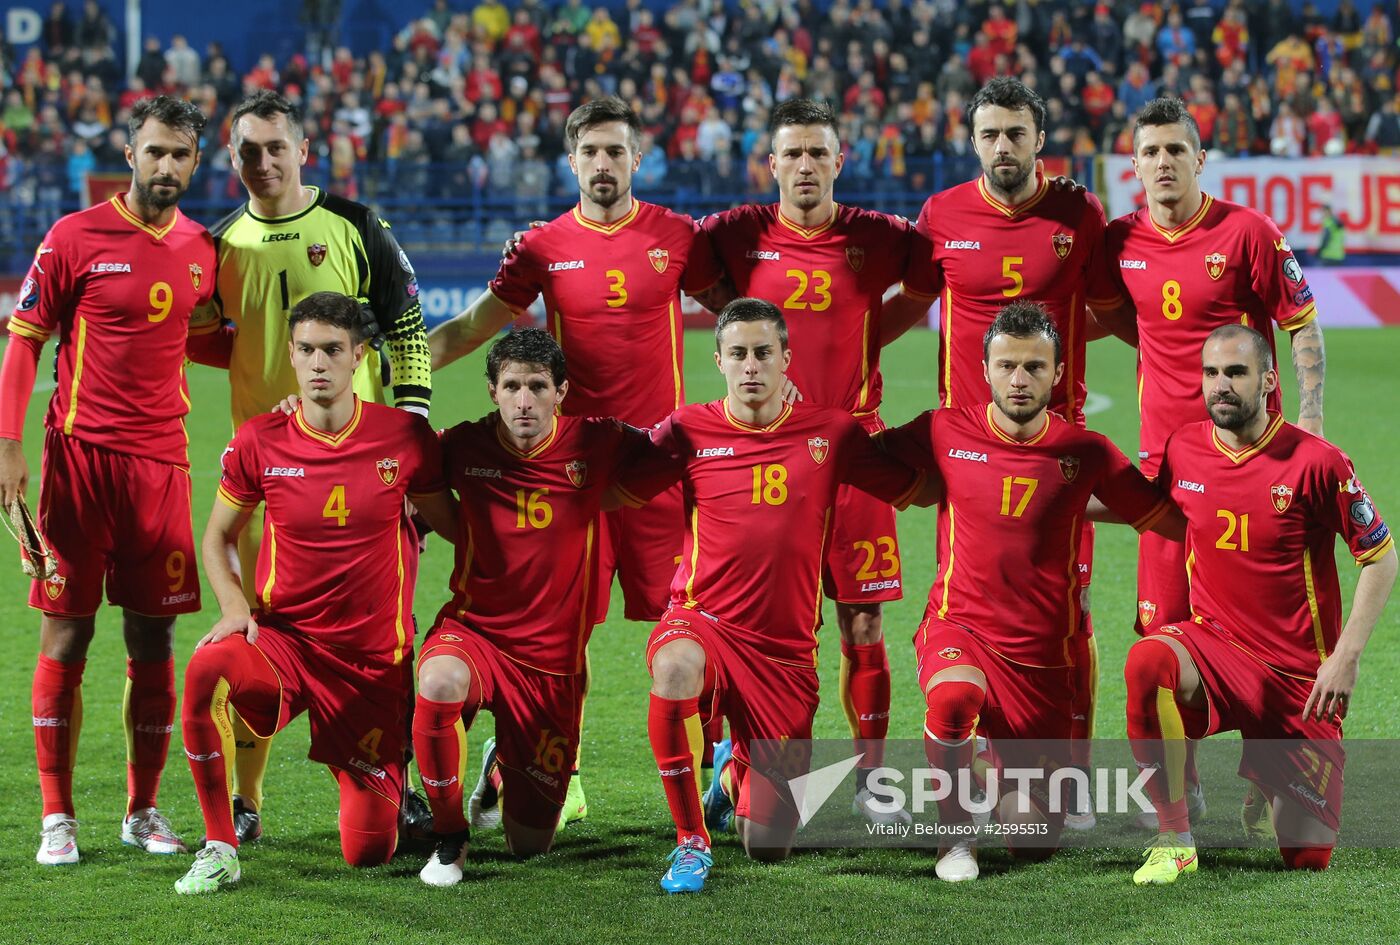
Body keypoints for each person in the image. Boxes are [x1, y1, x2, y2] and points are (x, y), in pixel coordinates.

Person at [428, 96, 730, 823]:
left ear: (637, 158)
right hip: (568, 477)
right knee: (555, 630)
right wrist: (389, 373)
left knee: (696, 620)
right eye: (590, 152)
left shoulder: (676, 236)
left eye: (615, 151)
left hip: (658, 470)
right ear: (571, 162)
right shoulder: (541, 246)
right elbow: (475, 326)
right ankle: (550, 769)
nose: (603, 164)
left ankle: (726, 767)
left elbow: (743, 317)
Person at [884, 77, 1133, 829]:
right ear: (972, 142)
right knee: (973, 598)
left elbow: (1115, 312)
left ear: (1038, 138)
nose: (1002, 147)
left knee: (1072, 609)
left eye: (1015, 133)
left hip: (1056, 450)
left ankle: (1071, 776)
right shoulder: (943, 215)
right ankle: (973, 748)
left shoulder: (1077, 213)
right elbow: (911, 301)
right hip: (967, 446)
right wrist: (843, 350)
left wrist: (1194, 360)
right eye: (989, 134)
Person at [621, 298, 933, 893]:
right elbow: (617, 482)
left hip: (784, 657)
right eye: (737, 354)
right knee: (674, 668)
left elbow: (909, 486)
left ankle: (735, 773)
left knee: (767, 844)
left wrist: (962, 445)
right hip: (704, 620)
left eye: (763, 353)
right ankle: (690, 842)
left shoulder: (833, 433)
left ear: (787, 359)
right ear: (718, 360)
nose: (751, 366)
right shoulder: (687, 430)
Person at [198, 88, 434, 842]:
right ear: (231, 159)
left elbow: (405, 321)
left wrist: (415, 425)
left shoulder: (356, 225)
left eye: (276, 147)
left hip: (367, 465)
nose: (263, 162)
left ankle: (397, 774)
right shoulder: (216, 244)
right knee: (267, 626)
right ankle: (246, 798)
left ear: (305, 152)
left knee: (383, 624)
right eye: (247, 150)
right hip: (269, 469)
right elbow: (201, 333)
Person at [698, 98, 940, 821]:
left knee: (862, 622)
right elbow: (686, 270)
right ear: (771, 164)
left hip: (854, 452)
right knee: (762, 624)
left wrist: (870, 342)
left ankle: (871, 779)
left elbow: (926, 287)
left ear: (840, 160)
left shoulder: (877, 235)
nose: (804, 166)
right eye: (791, 154)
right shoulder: (740, 234)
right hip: (768, 456)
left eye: (817, 153)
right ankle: (730, 763)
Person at [880, 302, 1182, 882]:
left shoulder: (1086, 451)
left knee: (1034, 840)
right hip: (959, 625)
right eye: (1007, 365)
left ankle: (989, 775)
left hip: (1041, 658)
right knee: (952, 700)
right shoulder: (943, 429)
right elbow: (864, 457)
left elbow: (1161, 516)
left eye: (1035, 367)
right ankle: (955, 839)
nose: (1019, 379)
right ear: (985, 368)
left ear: (1058, 373)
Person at [175, 292, 456, 894]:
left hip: (372, 665)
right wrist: (233, 607)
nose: (318, 363)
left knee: (367, 853)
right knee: (204, 670)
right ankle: (220, 843)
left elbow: (457, 527)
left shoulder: (405, 437)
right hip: (286, 644)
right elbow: (217, 535)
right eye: (306, 350)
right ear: (292, 355)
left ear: (359, 355)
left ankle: (377, 781)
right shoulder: (260, 439)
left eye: (333, 349)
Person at [0, 96, 218, 865]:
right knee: (68, 629)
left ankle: (142, 808)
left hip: (163, 467)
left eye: (180, 155)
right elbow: (25, 341)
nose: (166, 166)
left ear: (197, 160)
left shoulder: (202, 248)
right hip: (79, 461)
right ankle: (57, 815)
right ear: (129, 154)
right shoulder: (75, 235)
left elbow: (205, 339)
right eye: (154, 151)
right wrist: (8, 444)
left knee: (152, 635)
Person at [1103, 97, 1328, 825]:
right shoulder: (1121, 242)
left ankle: (1271, 771)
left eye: (1177, 150)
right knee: (1160, 626)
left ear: (1200, 160)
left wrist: (1312, 431)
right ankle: (1182, 784)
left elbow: (1301, 327)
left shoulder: (1249, 233)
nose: (1163, 163)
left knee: (1267, 632)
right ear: (1133, 166)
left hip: (1253, 469)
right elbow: (1110, 312)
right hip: (1165, 476)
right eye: (1151, 152)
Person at [1124, 324, 1395, 885]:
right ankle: (1174, 838)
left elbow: (1381, 558)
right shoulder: (1185, 446)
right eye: (1211, 373)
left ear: (1269, 380)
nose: (1220, 386)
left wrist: (1345, 657)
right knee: (1148, 662)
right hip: (1216, 650)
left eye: (1236, 373)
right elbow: (1152, 507)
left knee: (1306, 855)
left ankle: (1266, 770)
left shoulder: (1317, 463)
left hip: (1297, 678)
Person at [413, 327, 650, 886]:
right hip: (476, 633)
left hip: (551, 662)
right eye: (512, 386)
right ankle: (450, 837)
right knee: (439, 683)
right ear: (492, 390)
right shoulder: (462, 445)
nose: (524, 400)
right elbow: (406, 470)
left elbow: (680, 447)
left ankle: (500, 765)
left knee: (529, 845)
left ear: (561, 392)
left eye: (537, 387)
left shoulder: (598, 441)